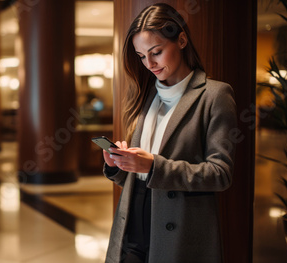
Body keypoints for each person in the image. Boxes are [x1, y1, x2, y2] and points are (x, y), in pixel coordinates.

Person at [102, 3, 236, 263]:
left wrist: (154, 166)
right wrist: (119, 166)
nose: (149, 63)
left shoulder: (215, 95)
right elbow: (142, 176)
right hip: (132, 225)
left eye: (156, 52)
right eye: (141, 56)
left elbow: (221, 174)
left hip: (180, 232)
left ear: (182, 40)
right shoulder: (146, 94)